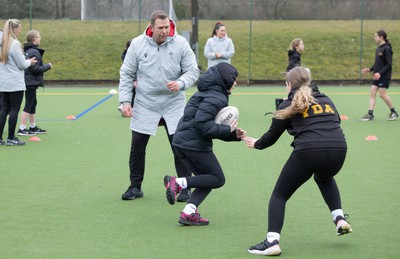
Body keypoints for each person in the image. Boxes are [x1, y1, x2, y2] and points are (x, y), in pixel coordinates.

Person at [243, 67, 352, 256]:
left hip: (309, 151)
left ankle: (272, 242)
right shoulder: (326, 99)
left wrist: (256, 144)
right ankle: (339, 218)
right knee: (324, 178)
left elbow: (271, 136)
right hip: (339, 149)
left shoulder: (288, 104)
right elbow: (335, 123)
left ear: (288, 85)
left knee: (280, 195)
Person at [119, 10, 199, 201]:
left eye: (167, 27)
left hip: (174, 103)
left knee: (179, 145)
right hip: (146, 102)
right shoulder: (138, 44)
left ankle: (184, 187)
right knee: (137, 146)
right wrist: (125, 101)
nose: (165, 31)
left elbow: (192, 71)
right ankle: (135, 187)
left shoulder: (180, 43)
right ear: (151, 27)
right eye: (161, 28)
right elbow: (127, 73)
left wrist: (180, 84)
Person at [163, 62, 246, 226]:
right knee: (217, 178)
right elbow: (203, 127)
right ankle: (178, 183)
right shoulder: (217, 97)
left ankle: (188, 213)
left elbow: (207, 125)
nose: (235, 83)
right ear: (224, 80)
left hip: (181, 141)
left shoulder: (205, 93)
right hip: (193, 144)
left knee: (206, 178)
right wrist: (227, 128)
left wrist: (232, 135)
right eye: (233, 79)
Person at [0, 19, 37, 146]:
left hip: (3, 82)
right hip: (14, 82)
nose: (20, 31)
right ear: (14, 29)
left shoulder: (2, 43)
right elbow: (21, 64)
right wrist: (30, 62)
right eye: (19, 28)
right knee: (14, 110)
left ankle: (0, 138)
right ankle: (11, 138)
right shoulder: (14, 44)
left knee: (4, 109)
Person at [17, 30, 52, 136]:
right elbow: (34, 69)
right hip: (30, 82)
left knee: (33, 103)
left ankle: (32, 127)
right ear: (34, 39)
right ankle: (22, 128)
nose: (40, 38)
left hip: (29, 81)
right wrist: (48, 66)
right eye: (39, 37)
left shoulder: (29, 50)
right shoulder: (34, 51)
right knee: (29, 104)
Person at [361, 30, 398, 121]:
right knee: (372, 93)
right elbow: (378, 63)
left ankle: (394, 112)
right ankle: (370, 114)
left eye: (376, 36)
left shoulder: (387, 48)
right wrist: (370, 69)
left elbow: (388, 64)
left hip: (384, 75)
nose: (375, 38)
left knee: (382, 94)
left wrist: (380, 73)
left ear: (381, 37)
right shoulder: (378, 48)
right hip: (376, 75)